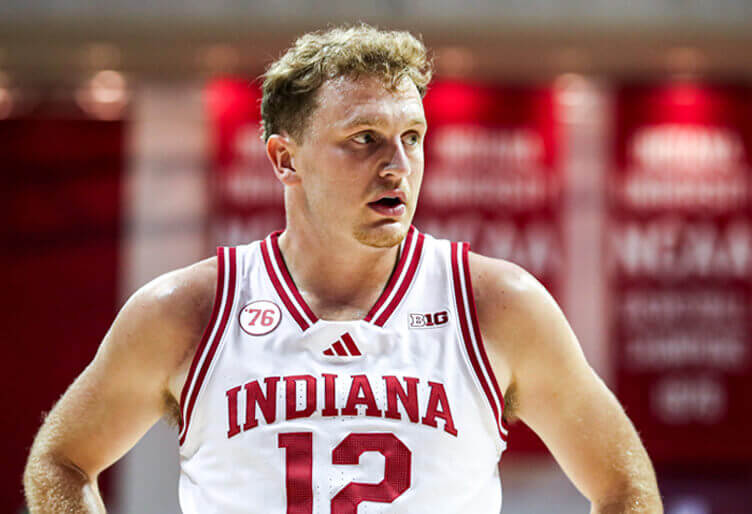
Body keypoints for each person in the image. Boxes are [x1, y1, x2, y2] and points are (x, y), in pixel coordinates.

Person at [24, 24, 662, 513]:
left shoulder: (498, 302)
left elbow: (624, 485)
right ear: (285, 159)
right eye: (365, 139)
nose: (398, 166)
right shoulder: (188, 308)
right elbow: (59, 461)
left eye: (412, 136)